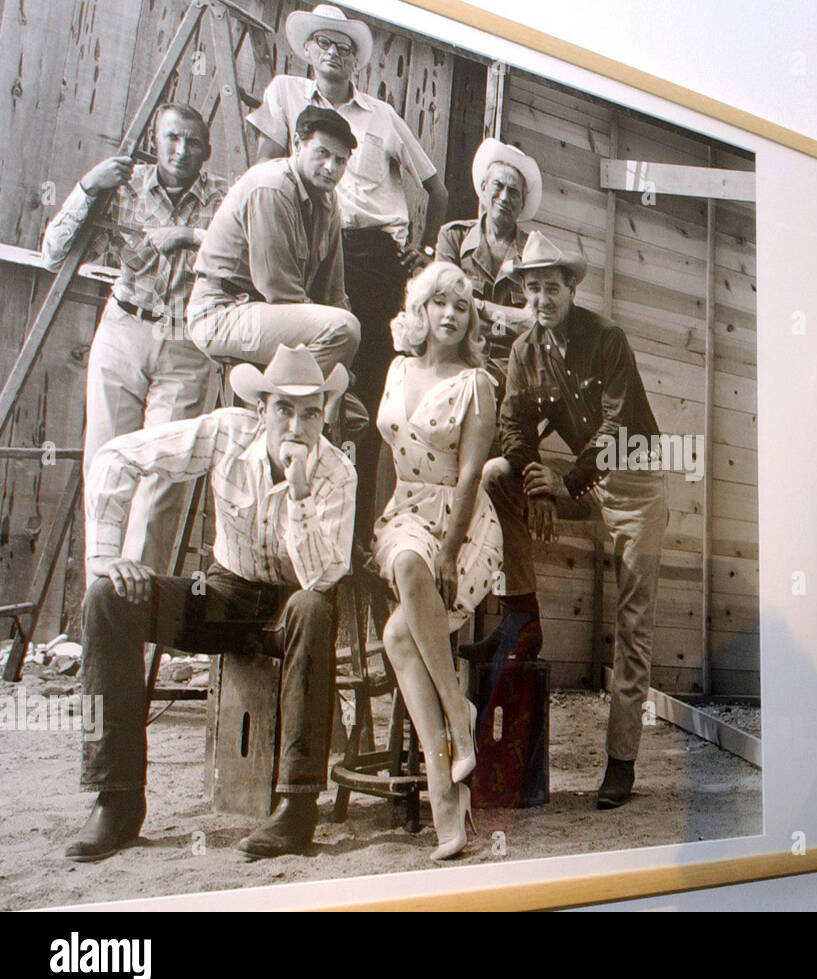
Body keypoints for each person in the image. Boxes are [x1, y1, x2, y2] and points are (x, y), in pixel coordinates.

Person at [69, 343, 356, 863]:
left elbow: (318, 577)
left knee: (314, 609)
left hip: (292, 609)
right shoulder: (226, 431)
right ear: (261, 409)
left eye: (310, 412)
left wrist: (299, 495)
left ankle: (297, 808)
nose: (296, 425)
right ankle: (117, 801)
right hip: (224, 595)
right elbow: (117, 457)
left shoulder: (337, 474)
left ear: (323, 415)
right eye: (284, 409)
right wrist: (107, 556)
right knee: (106, 600)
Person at [247, 2, 450, 543]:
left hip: (373, 262)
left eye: (345, 46)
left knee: (366, 393)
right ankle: (286, 520)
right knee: (299, 382)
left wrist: (421, 247)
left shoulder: (382, 116)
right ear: (308, 49)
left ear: (358, 59)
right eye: (324, 43)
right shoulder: (286, 95)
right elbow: (261, 173)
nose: (334, 54)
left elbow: (437, 188)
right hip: (308, 247)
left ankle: (356, 533)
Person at [479, 231, 667, 809]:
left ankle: (621, 762)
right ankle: (521, 611)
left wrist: (564, 482)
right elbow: (512, 426)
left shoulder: (606, 339)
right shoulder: (524, 352)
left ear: (571, 287)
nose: (542, 298)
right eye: (532, 288)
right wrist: (536, 480)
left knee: (632, 618)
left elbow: (616, 429)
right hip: (574, 480)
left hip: (631, 476)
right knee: (494, 474)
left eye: (552, 286)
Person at [41, 103, 226, 572]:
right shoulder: (124, 185)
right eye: (172, 138)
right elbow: (51, 252)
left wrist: (188, 234)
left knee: (162, 478)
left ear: (207, 151)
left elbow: (246, 253)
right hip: (124, 325)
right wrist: (87, 187)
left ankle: (135, 620)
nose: (181, 151)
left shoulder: (224, 198)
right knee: (105, 464)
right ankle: (102, 598)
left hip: (185, 337)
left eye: (193, 142)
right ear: (156, 140)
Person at [372, 262, 502, 860]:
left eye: (460, 306)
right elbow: (385, 456)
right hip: (403, 515)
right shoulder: (397, 370)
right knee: (403, 562)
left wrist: (449, 549)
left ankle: (445, 800)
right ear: (420, 311)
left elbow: (473, 471)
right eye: (438, 303)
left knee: (400, 637)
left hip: (462, 525)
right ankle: (458, 715)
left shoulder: (478, 383)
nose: (449, 315)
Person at [187, 106, 362, 426]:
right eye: (322, 153)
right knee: (343, 328)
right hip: (223, 310)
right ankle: (283, 414)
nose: (330, 167)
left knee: (355, 417)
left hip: (265, 312)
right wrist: (341, 340)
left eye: (340, 161)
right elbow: (279, 290)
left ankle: (300, 405)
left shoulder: (328, 200)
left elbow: (334, 291)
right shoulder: (271, 186)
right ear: (297, 145)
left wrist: (344, 361)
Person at [434, 137, 543, 393]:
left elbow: (534, 324)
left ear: (522, 204)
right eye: (498, 185)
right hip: (458, 358)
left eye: (514, 192)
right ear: (483, 188)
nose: (504, 197)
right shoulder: (453, 238)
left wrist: (476, 306)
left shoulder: (534, 252)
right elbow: (443, 307)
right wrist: (511, 318)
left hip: (513, 369)